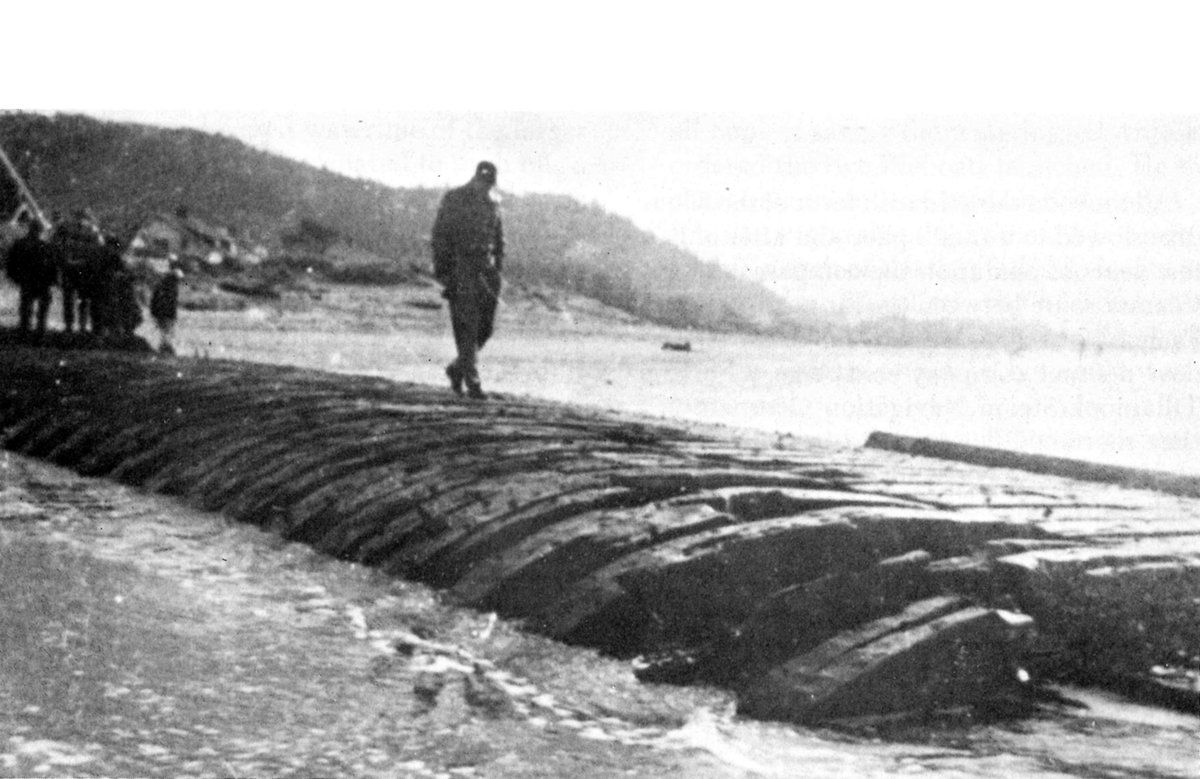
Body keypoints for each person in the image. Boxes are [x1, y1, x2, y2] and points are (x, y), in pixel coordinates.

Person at [431, 160, 505, 400]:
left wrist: (498, 270)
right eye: (482, 183)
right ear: (475, 179)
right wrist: (444, 271)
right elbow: (440, 235)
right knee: (467, 327)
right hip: (460, 267)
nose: (485, 188)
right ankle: (473, 383)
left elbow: (499, 239)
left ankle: (457, 368)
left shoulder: (494, 203)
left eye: (489, 184)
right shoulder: (455, 199)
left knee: (485, 329)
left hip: (487, 271)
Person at [4, 218, 56, 341]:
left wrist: (16, 278)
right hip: (42, 282)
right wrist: (52, 280)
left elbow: (10, 263)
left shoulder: (19, 244)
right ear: (39, 231)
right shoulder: (45, 246)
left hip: (26, 280)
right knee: (42, 309)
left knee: (25, 308)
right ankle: (40, 333)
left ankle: (24, 333)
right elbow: (52, 265)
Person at [150, 263, 183, 354]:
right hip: (167, 314)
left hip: (160, 313)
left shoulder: (161, 286)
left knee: (164, 331)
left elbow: (154, 300)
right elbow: (172, 303)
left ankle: (164, 347)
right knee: (167, 331)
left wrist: (154, 312)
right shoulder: (172, 288)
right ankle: (165, 347)